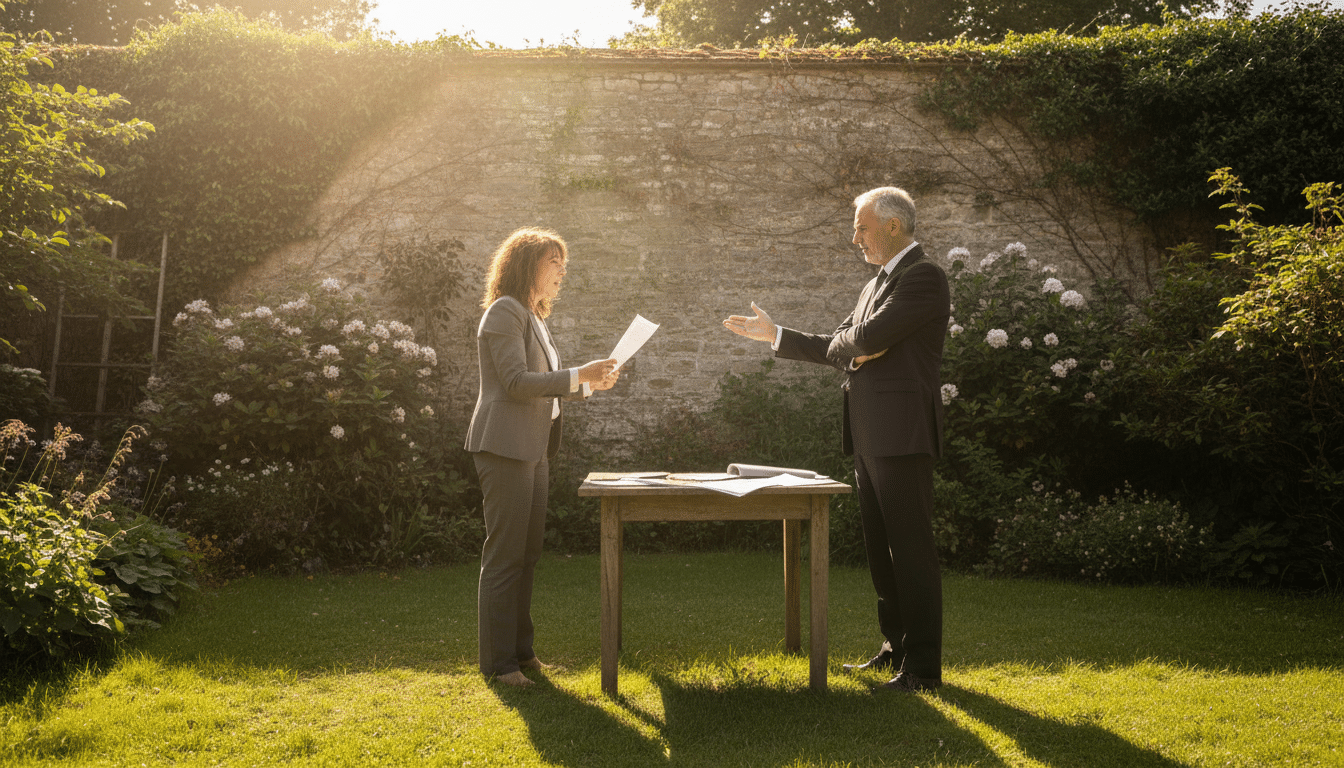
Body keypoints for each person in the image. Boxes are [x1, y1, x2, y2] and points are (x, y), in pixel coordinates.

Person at [723, 186, 950, 692]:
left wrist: (860, 343)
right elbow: (843, 342)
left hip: (903, 435)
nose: (855, 238)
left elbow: (862, 339)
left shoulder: (925, 278)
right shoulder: (875, 285)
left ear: (894, 226)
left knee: (910, 551)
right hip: (869, 434)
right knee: (880, 551)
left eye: (862, 227)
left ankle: (924, 669)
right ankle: (896, 649)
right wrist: (777, 334)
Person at [465, 227, 620, 687]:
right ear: (527, 263)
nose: (562, 272)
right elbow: (515, 383)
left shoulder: (533, 316)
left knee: (528, 554)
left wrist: (589, 383)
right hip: (504, 446)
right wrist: (577, 374)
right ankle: (498, 665)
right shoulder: (504, 312)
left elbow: (544, 387)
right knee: (505, 555)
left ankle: (521, 653)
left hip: (534, 448)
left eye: (563, 264)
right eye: (555, 262)